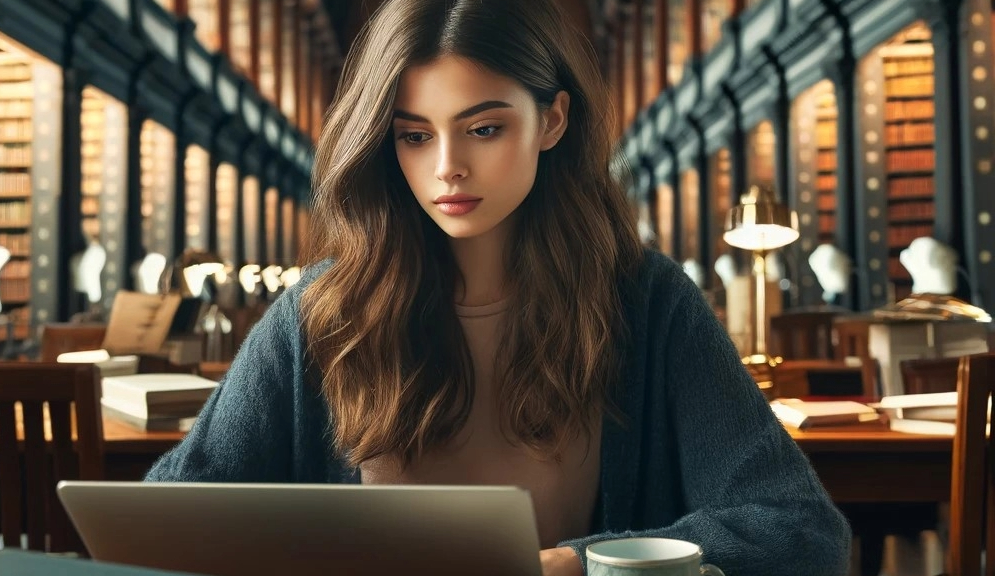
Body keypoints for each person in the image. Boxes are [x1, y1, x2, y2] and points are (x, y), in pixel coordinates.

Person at [145, 1, 851, 574]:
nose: (447, 167)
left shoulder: (647, 302)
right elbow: (164, 518)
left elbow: (799, 530)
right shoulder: (320, 312)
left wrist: (577, 568)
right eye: (414, 136)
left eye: (483, 127)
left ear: (552, 120)